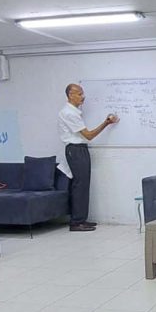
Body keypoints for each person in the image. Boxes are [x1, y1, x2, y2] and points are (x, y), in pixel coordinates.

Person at [58, 83, 119, 232]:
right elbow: (89, 135)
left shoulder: (75, 112)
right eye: (79, 94)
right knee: (80, 185)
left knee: (83, 185)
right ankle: (76, 222)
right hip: (75, 150)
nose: (83, 97)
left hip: (80, 149)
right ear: (70, 95)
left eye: (82, 93)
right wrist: (106, 123)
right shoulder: (69, 113)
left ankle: (81, 219)